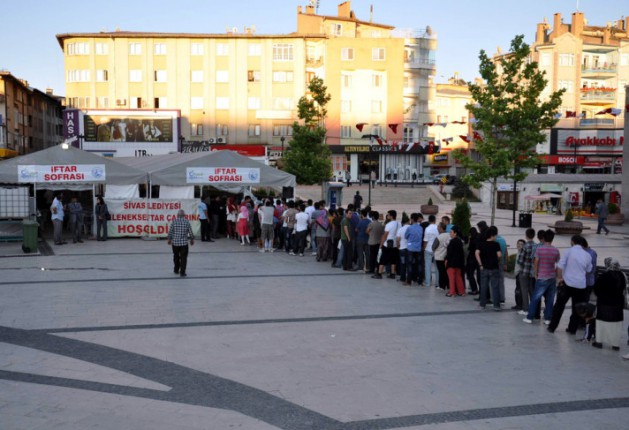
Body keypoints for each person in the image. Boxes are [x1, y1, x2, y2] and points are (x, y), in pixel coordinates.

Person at [547, 235, 592, 334]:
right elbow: (589, 270)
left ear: (573, 242)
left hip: (567, 283)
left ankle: (552, 327)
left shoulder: (568, 251)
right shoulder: (587, 255)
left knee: (559, 306)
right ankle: (572, 329)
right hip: (581, 285)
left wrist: (559, 278)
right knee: (577, 308)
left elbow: (559, 266)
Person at [523, 230, 560, 324]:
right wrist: (558, 276)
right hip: (552, 277)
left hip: (542, 276)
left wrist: (536, 273)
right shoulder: (555, 250)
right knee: (550, 298)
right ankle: (548, 318)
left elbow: (536, 262)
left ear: (544, 238)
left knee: (535, 297)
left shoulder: (539, 249)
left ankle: (530, 317)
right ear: (552, 239)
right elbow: (558, 264)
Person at [592, 258, 626, 350]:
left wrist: (602, 295)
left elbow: (596, 289)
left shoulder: (604, 276)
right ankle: (615, 345)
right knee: (616, 325)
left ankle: (599, 342)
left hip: (604, 304)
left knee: (601, 323)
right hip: (618, 304)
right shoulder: (622, 276)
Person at [475, 226, 502, 311]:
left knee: (483, 287)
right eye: (495, 236)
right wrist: (496, 260)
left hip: (484, 268)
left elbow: (476, 253)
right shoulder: (496, 244)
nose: (495, 237)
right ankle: (496, 305)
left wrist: (480, 264)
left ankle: (482, 304)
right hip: (494, 268)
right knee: (495, 287)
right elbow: (499, 255)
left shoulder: (481, 244)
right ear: (492, 236)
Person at [372, 210, 400, 279]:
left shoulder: (388, 225)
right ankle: (392, 273)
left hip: (387, 244)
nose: (387, 216)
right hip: (394, 245)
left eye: (388, 215)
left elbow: (385, 235)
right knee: (393, 260)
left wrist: (381, 245)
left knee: (382, 259)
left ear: (391, 216)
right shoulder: (398, 224)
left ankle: (379, 273)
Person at [167, 209, 194, 277]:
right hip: (184, 243)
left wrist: (169, 239)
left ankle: (176, 269)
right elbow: (190, 232)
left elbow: (170, 231)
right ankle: (182, 272)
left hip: (175, 243)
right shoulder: (187, 222)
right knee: (183, 258)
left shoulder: (174, 221)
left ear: (177, 215)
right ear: (184, 215)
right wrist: (192, 239)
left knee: (176, 256)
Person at [516, 228, 536, 314]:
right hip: (532, 272)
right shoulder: (536, 246)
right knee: (531, 290)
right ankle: (533, 308)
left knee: (524, 290)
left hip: (524, 271)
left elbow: (520, 261)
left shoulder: (525, 247)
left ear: (526, 235)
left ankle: (525, 309)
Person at [445, 226, 465, 296]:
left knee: (451, 278)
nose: (450, 233)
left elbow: (449, 253)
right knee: (458, 277)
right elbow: (462, 254)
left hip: (451, 263)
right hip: (458, 263)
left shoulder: (452, 242)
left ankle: (452, 292)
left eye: (451, 232)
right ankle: (461, 291)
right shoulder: (460, 241)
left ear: (455, 233)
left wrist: (446, 259)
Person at [405, 213, 424, 286]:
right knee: (419, 265)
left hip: (410, 248)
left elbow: (406, 236)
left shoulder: (409, 228)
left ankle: (409, 281)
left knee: (409, 264)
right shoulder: (421, 228)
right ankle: (420, 280)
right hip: (418, 248)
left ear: (412, 219)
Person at [422, 215, 439, 287]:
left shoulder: (427, 229)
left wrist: (424, 248)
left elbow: (425, 240)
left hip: (428, 249)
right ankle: (437, 283)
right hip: (436, 249)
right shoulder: (438, 228)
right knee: (437, 267)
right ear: (435, 220)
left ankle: (428, 282)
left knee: (427, 267)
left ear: (429, 220)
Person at [433, 222, 450, 290]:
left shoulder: (438, 237)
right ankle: (448, 285)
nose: (437, 228)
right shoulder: (449, 235)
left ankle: (442, 286)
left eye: (438, 227)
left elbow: (433, 247)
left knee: (441, 271)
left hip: (439, 257)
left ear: (441, 228)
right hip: (446, 256)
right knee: (446, 271)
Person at [465, 227, 480, 295]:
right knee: (479, 275)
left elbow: (470, 248)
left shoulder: (472, 239)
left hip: (472, 258)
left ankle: (474, 289)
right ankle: (480, 289)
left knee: (470, 274)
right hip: (478, 258)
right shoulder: (479, 237)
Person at [513, 239, 526, 310]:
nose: (519, 245)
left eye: (521, 244)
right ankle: (519, 304)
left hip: (520, 274)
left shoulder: (522, 253)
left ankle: (520, 305)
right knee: (518, 290)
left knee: (519, 290)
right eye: (518, 244)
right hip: (517, 273)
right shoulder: (518, 252)